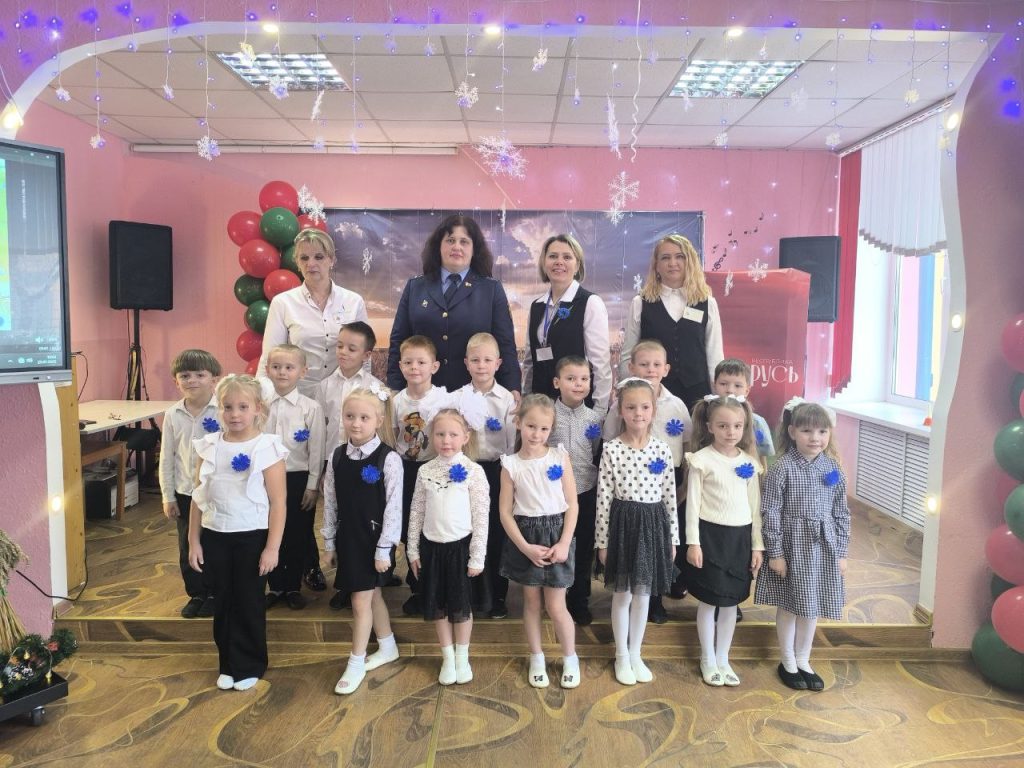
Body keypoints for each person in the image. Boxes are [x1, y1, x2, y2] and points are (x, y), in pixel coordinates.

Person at [258, 227, 368, 593]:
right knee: (300, 491)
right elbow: (268, 359)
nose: (312, 264)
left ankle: (347, 563)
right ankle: (305, 563)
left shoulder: (352, 300)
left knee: (342, 487)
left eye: (319, 257)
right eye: (304, 258)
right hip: (296, 406)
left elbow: (362, 353)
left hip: (341, 403)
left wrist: (364, 403)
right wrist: (260, 406)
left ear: (332, 259)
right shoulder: (284, 303)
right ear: (296, 262)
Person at [188, 375, 287, 692]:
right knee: (223, 600)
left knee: (248, 601)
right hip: (215, 534)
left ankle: (250, 664)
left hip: (252, 536)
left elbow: (278, 502)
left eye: (243, 407)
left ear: (257, 408)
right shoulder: (209, 445)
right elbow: (198, 496)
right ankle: (228, 663)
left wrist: (272, 548)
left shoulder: (266, 448)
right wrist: (193, 541)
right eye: (227, 407)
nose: (234, 414)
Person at [755, 399, 850, 692]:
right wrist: (776, 553)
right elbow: (770, 511)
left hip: (822, 548)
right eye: (807, 431)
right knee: (790, 604)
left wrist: (841, 552)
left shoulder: (833, 468)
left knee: (812, 606)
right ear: (792, 431)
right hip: (792, 546)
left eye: (822, 431)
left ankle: (803, 659)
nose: (815, 438)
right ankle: (787, 661)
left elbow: (841, 512)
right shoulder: (782, 467)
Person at [595, 378, 678, 686]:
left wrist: (672, 539)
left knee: (643, 594)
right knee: (622, 594)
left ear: (653, 410)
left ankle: (635, 653)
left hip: (652, 526)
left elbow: (669, 497)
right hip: (623, 526)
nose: (638, 413)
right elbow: (604, 498)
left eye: (644, 407)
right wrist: (602, 542)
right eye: (631, 407)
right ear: (621, 410)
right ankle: (621, 655)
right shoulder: (611, 449)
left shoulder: (662, 449)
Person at [322, 385, 403, 695]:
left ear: (379, 420)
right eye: (350, 416)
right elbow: (330, 501)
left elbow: (394, 507)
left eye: (364, 417)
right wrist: (330, 542)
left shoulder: (388, 459)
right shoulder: (337, 456)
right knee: (372, 596)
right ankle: (388, 645)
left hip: (374, 541)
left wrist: (385, 548)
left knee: (359, 601)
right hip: (348, 538)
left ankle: (355, 662)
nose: (356, 423)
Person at [604, 339, 692, 624]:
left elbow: (687, 444)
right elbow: (609, 439)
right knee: (632, 556)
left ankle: (655, 603)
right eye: (644, 364)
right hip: (627, 482)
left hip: (664, 481)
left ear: (666, 369)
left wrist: (683, 485)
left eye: (656, 364)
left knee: (659, 546)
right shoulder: (620, 405)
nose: (650, 369)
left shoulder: (676, 404)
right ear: (631, 367)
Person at [387, 214, 520, 396]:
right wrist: (394, 386)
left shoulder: (491, 289)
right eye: (450, 240)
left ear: (474, 249)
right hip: (422, 395)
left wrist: (512, 388)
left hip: (475, 396)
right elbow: (398, 341)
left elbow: (505, 344)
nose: (457, 246)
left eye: (464, 242)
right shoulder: (415, 287)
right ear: (439, 246)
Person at [499, 394, 580, 689]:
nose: (537, 434)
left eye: (544, 429)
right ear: (519, 423)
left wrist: (564, 543)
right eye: (531, 426)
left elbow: (572, 504)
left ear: (551, 429)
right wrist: (525, 548)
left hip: (557, 533)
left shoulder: (559, 457)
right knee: (531, 603)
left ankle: (570, 657)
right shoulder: (510, 464)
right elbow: (505, 513)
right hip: (527, 536)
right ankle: (537, 657)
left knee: (556, 605)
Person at [685, 394, 763, 688]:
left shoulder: (749, 463)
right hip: (710, 537)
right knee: (709, 601)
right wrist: (693, 543)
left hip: (739, 539)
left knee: (731, 603)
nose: (731, 432)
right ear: (709, 427)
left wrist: (757, 546)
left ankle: (723, 657)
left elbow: (755, 509)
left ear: (744, 427)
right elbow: (693, 506)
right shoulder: (701, 460)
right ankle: (707, 658)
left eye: (737, 426)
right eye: (723, 426)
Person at [407, 408, 490, 685]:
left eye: (453, 434)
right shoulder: (425, 471)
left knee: (461, 606)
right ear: (432, 436)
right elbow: (416, 511)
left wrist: (477, 556)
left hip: (460, 550)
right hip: (432, 549)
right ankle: (447, 657)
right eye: (440, 434)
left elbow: (481, 517)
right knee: (438, 605)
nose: (446, 440)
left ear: (465, 437)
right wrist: (413, 550)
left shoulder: (474, 472)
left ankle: (462, 656)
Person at [620, 235, 724, 408]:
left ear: (690, 262)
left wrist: (718, 399)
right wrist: (626, 392)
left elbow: (715, 355)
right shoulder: (640, 303)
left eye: (679, 257)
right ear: (656, 265)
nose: (672, 263)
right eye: (665, 258)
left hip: (697, 395)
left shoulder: (707, 303)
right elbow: (628, 354)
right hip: (651, 395)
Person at [457, 332, 516, 619]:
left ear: (498, 363)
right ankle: (470, 592)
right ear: (466, 363)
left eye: (487, 360)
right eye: (476, 360)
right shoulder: (458, 397)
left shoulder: (506, 400)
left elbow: (511, 444)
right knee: (468, 530)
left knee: (495, 533)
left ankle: (498, 596)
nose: (481, 366)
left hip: (496, 471)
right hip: (466, 471)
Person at [159, 349, 222, 619]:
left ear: (214, 379)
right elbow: (166, 457)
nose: (192, 380)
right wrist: (168, 496)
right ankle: (197, 593)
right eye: (185, 375)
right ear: (176, 381)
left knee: (214, 543)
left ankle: (216, 593)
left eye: (199, 374)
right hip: (186, 492)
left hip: (216, 492)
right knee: (188, 544)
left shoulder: (223, 410)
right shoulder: (173, 414)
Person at [262, 344, 325, 611]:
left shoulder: (310, 408)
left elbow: (316, 449)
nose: (282, 372)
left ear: (302, 372)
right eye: (276, 367)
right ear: (267, 370)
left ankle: (293, 586)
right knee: (269, 532)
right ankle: (275, 585)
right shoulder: (260, 406)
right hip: (265, 479)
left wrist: (313, 485)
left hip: (298, 478)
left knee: (297, 533)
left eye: (289, 367)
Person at [523, 234, 612, 414]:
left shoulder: (590, 303)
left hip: (576, 408)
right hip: (540, 408)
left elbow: (600, 364)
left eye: (567, 257)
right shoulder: (537, 306)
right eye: (553, 256)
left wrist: (599, 411)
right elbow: (529, 361)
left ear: (577, 265)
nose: (559, 262)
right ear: (544, 263)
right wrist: (526, 399)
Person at [550, 356, 603, 627]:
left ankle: (579, 601)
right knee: (555, 545)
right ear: (557, 382)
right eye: (571, 379)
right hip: (553, 495)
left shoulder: (594, 419)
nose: (578, 384)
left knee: (582, 549)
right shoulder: (548, 414)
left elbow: (594, 452)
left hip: (585, 491)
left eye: (584, 379)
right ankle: (553, 600)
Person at [317, 321, 385, 457]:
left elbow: (381, 428)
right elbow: (319, 427)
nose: (343, 352)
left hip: (365, 458)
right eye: (340, 346)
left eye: (352, 349)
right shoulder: (325, 385)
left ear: (366, 355)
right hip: (330, 456)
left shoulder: (376, 387)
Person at [711, 358, 775, 467]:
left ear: (746, 391)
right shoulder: (706, 416)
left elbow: (762, 458)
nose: (730, 390)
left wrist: (762, 475)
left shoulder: (757, 422)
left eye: (737, 386)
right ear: (714, 386)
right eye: (723, 384)